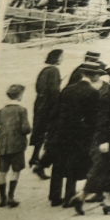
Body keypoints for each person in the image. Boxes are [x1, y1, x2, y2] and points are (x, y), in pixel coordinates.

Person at [71, 64, 110, 215]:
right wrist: (104, 141)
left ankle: (90, 198)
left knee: (107, 171)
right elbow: (102, 120)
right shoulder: (108, 95)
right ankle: (102, 201)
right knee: (109, 170)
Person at [47, 62, 105, 208]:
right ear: (93, 76)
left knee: (59, 165)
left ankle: (55, 197)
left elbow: (56, 113)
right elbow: (94, 119)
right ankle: (69, 198)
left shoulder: (67, 90)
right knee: (72, 165)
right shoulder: (93, 93)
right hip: (80, 135)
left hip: (62, 133)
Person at [0, 84, 31, 208]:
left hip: (3, 146)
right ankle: (11, 197)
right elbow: (25, 129)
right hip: (17, 146)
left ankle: (2, 198)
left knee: (2, 172)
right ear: (19, 96)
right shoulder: (21, 110)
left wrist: (3, 134)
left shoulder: (0, 111)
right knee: (16, 170)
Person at [29, 48, 63, 176]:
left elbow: (40, 88)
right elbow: (54, 91)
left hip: (40, 103)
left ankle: (34, 157)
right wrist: (57, 105)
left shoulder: (45, 70)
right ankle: (40, 164)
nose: (62, 59)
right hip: (49, 106)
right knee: (49, 132)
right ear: (56, 58)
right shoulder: (54, 71)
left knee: (40, 129)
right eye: (61, 57)